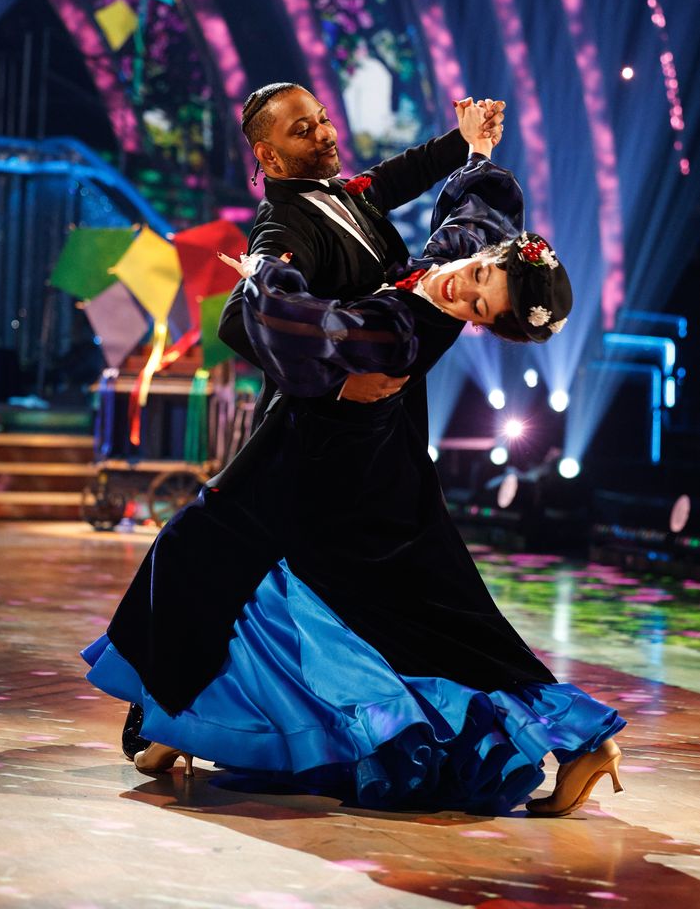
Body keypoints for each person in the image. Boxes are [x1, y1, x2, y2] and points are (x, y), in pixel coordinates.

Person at [81, 100, 625, 817]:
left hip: (338, 460)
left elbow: (378, 231)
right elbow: (432, 209)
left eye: (322, 121)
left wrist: (460, 150)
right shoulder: (302, 225)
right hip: (346, 453)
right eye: (303, 129)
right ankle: (172, 722)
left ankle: (171, 721)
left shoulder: (394, 307)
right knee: (372, 599)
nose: (325, 133)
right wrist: (463, 151)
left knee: (243, 572)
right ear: (270, 157)